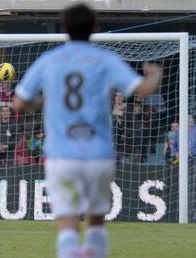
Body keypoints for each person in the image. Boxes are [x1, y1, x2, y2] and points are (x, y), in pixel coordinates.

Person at [13, 3, 162, 258]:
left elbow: (18, 103)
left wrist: (42, 102)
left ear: (63, 28)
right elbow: (143, 90)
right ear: (95, 28)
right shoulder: (105, 59)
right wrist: (156, 74)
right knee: (95, 222)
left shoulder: (49, 60)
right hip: (98, 154)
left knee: (67, 225)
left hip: (61, 155)